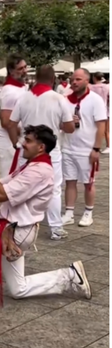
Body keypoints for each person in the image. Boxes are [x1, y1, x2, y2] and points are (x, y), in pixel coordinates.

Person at [0, 125, 91, 312]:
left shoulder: (39, 171)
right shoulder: (33, 166)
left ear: (41, 147)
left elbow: (0, 195)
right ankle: (70, 276)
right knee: (18, 289)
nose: (23, 144)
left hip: (18, 231)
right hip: (16, 228)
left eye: (29, 141)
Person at [8, 65, 74, 241]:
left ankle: (17, 222)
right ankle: (55, 227)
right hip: (50, 149)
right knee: (54, 188)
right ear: (53, 80)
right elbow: (69, 128)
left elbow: (11, 123)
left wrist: (16, 143)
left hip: (28, 148)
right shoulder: (59, 98)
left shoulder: (24, 98)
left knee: (23, 186)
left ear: (36, 78)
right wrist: (65, 122)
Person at [61, 68, 107, 228]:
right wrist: (67, 123)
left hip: (86, 149)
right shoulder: (66, 100)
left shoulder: (95, 100)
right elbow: (60, 124)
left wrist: (96, 148)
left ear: (87, 81)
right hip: (68, 147)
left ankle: (88, 212)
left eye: (78, 79)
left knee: (88, 183)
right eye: (73, 79)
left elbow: (101, 125)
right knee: (70, 181)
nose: (74, 82)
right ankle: (69, 212)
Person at [0, 54, 29, 177]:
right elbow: (6, 121)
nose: (25, 71)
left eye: (25, 67)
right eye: (20, 69)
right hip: (9, 139)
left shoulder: (21, 87)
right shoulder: (9, 90)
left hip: (18, 137)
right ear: (11, 71)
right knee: (9, 176)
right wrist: (16, 142)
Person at [89, 72, 109, 153]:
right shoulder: (107, 87)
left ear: (94, 78)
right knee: (105, 130)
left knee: (93, 129)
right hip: (104, 110)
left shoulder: (91, 87)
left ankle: (94, 145)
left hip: (93, 110)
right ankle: (107, 146)